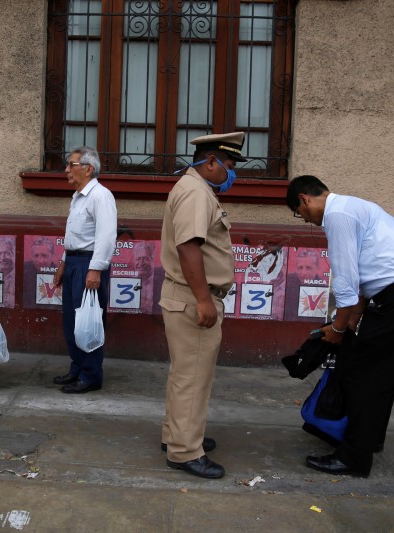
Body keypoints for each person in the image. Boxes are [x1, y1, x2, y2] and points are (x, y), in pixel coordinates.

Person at [287, 175, 394, 478]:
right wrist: (352, 321)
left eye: (298, 213)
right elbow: (366, 278)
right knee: (379, 373)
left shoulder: (337, 216)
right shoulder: (355, 206)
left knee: (360, 375)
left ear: (304, 199)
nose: (304, 219)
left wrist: (339, 330)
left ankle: (353, 458)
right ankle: (370, 440)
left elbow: (346, 281)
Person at [159, 132, 244, 479]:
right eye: (229, 165)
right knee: (193, 378)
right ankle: (184, 452)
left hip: (187, 295)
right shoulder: (196, 192)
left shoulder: (194, 188)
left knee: (185, 375)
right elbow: (189, 248)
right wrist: (204, 299)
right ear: (210, 162)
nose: (231, 173)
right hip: (194, 297)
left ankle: (177, 435)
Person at [52, 147, 117, 394]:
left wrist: (96, 269)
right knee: (72, 320)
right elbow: (73, 237)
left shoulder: (101, 196)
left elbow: (106, 236)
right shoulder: (78, 196)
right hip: (74, 263)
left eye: (72, 165)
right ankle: (77, 367)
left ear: (88, 168)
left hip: (89, 264)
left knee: (88, 321)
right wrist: (63, 264)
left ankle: (91, 375)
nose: (67, 170)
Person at [284, 248, 328, 321]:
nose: (303, 273)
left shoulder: (323, 288)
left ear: (317, 268)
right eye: (300, 268)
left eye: (308, 268)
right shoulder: (286, 281)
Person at [23, 237, 60, 306]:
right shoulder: (24, 271)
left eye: (44, 256)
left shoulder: (59, 273)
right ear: (32, 256)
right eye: (36, 256)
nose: (40, 261)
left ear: (52, 256)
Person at [132, 240, 164, 314]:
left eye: (146, 259)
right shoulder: (128, 281)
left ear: (152, 260)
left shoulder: (162, 279)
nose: (141, 263)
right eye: (138, 259)